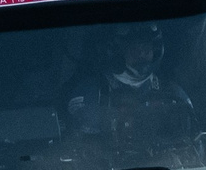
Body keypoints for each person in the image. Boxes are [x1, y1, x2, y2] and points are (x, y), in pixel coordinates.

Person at [66, 23, 197, 156]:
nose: (141, 53)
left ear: (156, 49)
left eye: (146, 47)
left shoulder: (172, 93)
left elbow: (193, 146)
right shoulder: (93, 92)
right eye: (133, 48)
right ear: (116, 50)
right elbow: (81, 149)